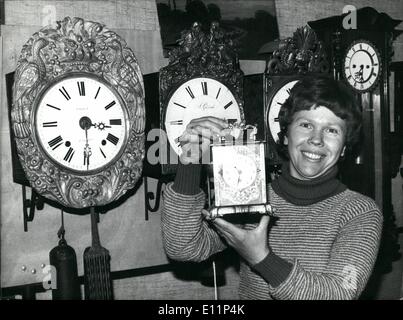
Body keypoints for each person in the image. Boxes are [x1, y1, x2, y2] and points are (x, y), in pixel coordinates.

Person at [161, 75, 383, 300]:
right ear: (286, 135)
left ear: (345, 147)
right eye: (306, 125)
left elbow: (340, 294)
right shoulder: (250, 195)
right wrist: (189, 160)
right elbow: (183, 247)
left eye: (332, 130)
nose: (316, 139)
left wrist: (262, 258)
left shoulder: (359, 212)